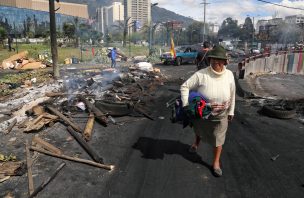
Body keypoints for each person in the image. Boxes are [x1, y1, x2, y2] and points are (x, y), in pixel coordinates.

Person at [180, 45, 236, 177]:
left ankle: (216, 163)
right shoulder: (201, 74)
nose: (215, 62)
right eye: (213, 59)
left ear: (224, 61)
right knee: (199, 130)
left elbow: (233, 94)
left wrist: (232, 111)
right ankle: (196, 143)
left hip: (221, 114)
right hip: (202, 112)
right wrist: (186, 104)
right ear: (209, 60)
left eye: (219, 59)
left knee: (219, 138)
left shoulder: (229, 75)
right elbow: (185, 86)